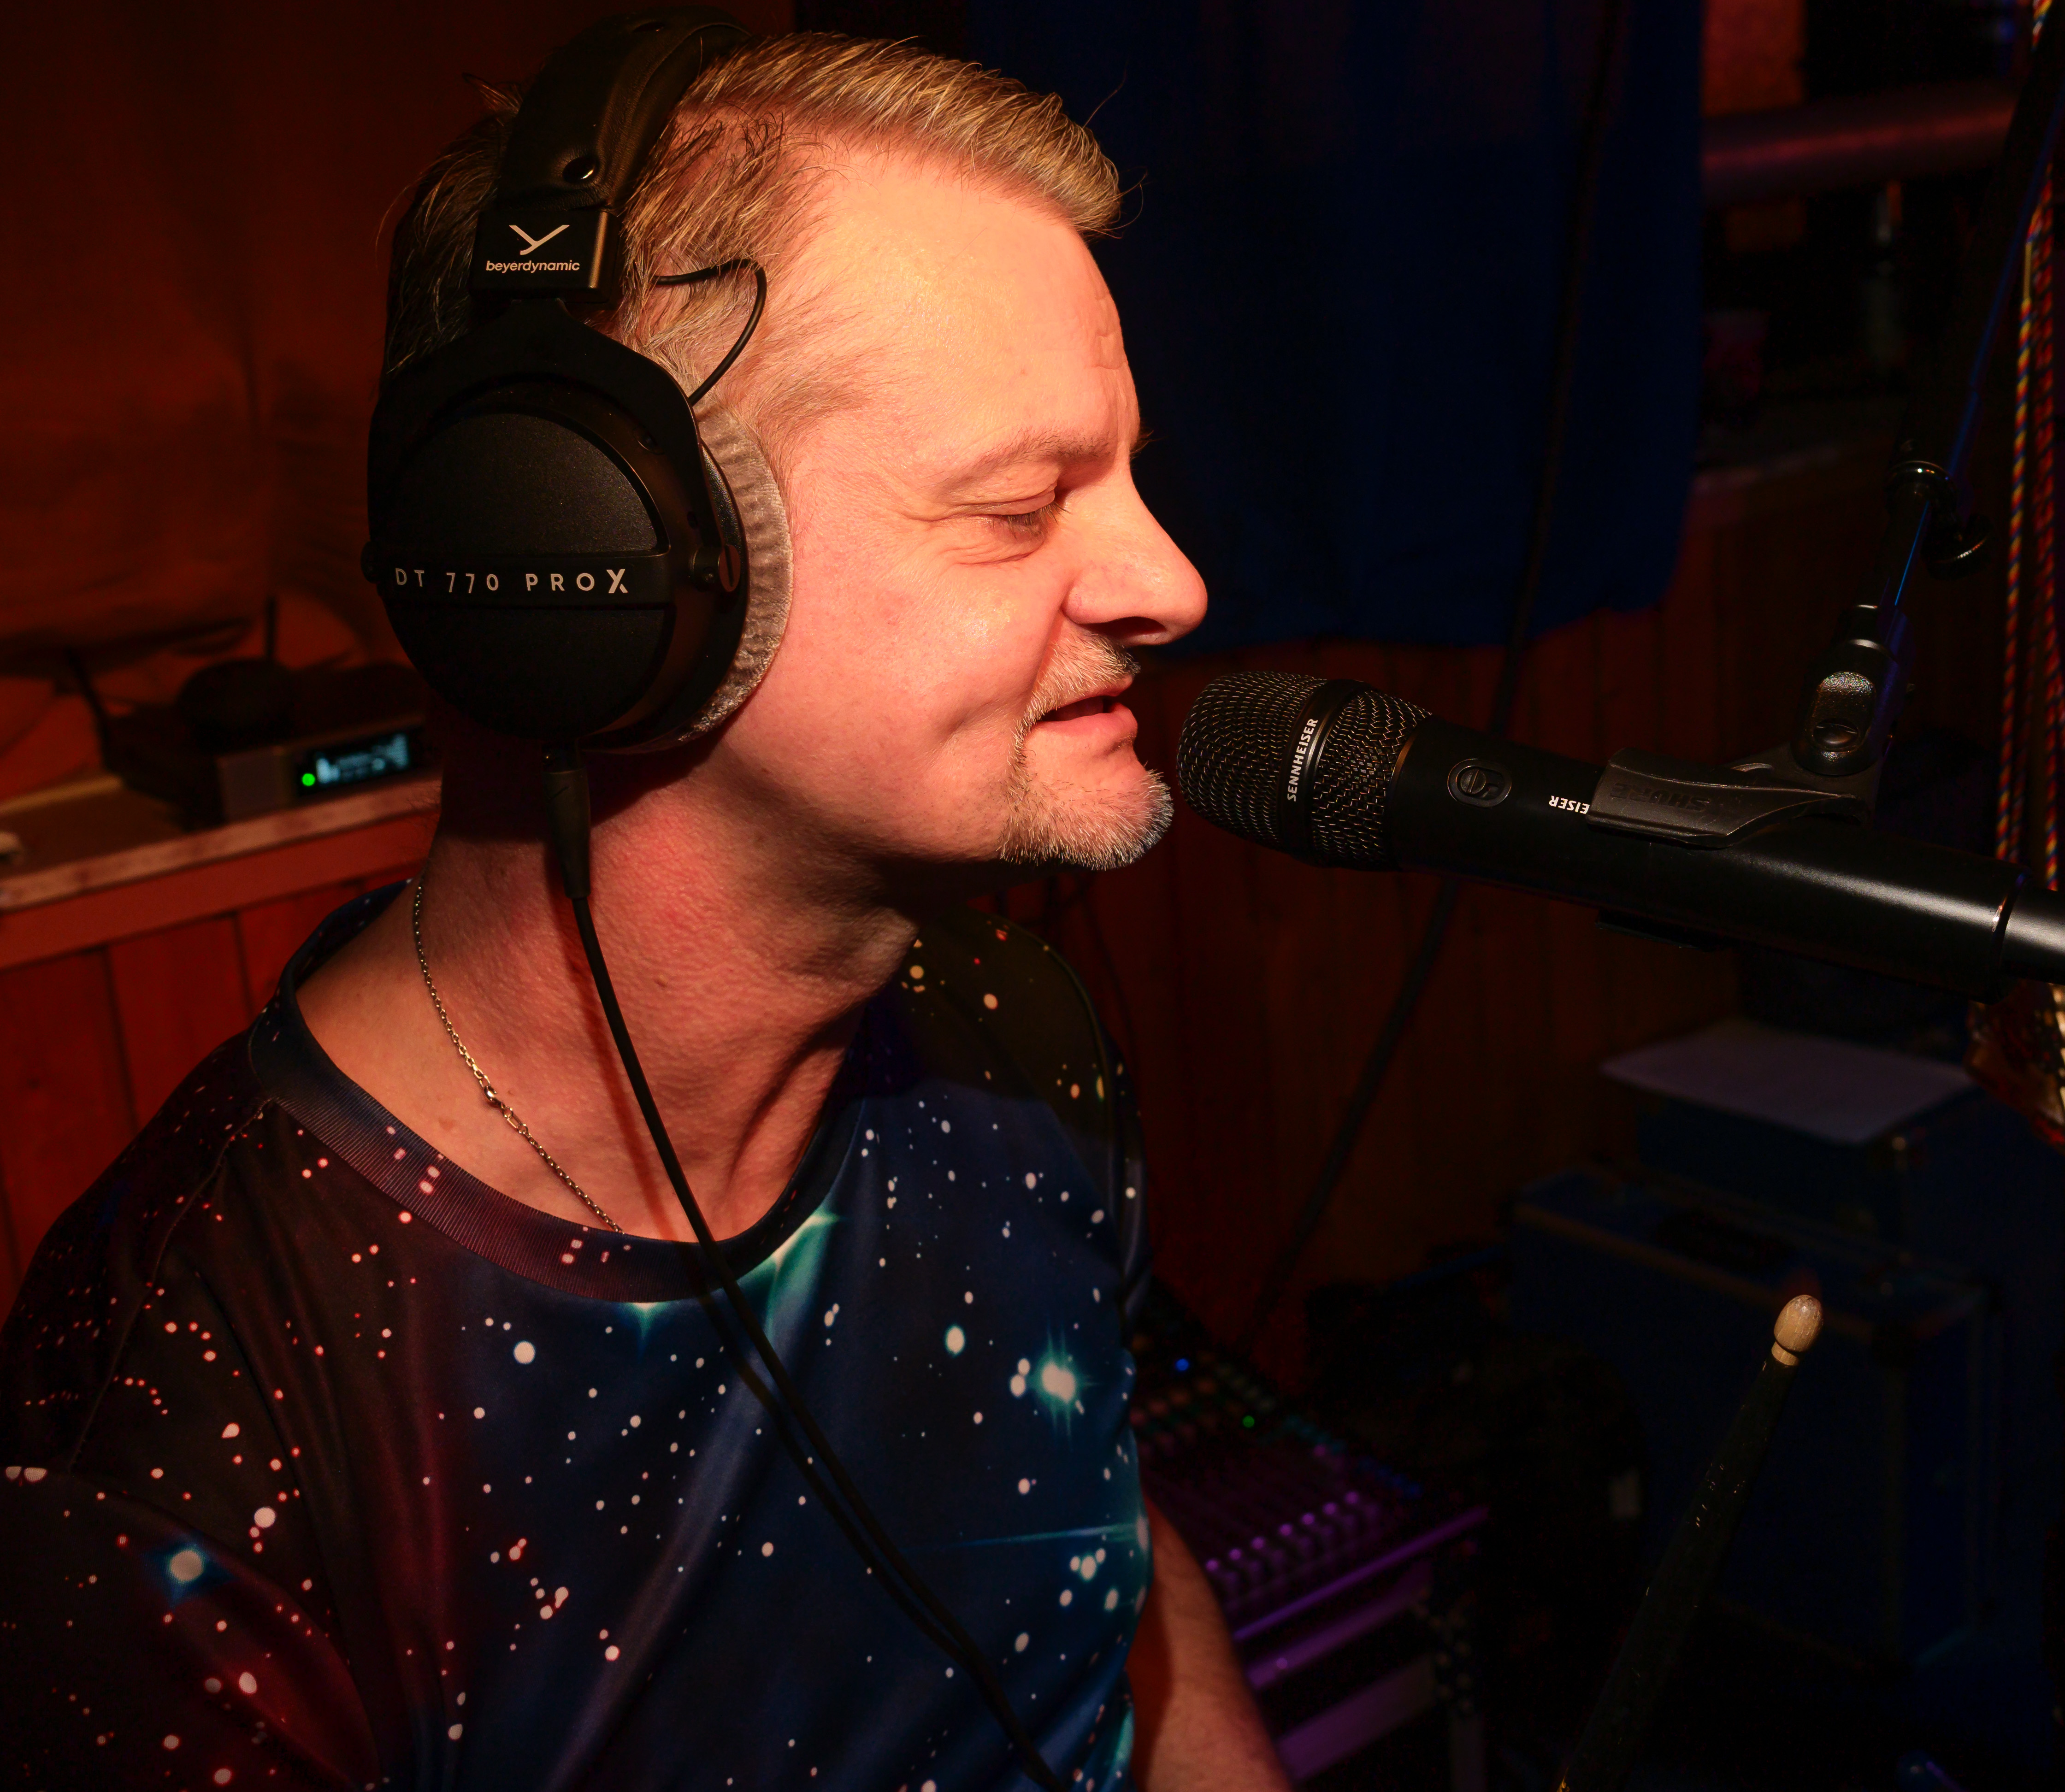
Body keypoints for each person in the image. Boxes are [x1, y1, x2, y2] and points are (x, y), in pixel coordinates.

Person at [0, 29, 1293, 1792]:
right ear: (587, 558)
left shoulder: (1016, 1032)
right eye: (1017, 507)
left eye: (1130, 479)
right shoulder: (182, 1416)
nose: (1171, 582)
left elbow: (1109, 1573)